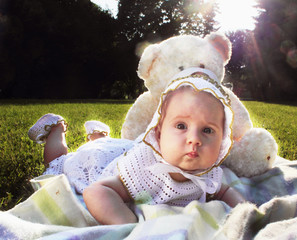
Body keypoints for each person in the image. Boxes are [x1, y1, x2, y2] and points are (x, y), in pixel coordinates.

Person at [28, 68, 245, 225]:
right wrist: (127, 225)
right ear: (159, 134)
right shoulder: (143, 171)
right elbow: (97, 191)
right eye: (181, 125)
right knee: (60, 163)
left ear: (222, 140)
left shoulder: (207, 172)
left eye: (208, 130)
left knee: (107, 147)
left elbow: (224, 190)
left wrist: (246, 211)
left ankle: (98, 135)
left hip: (120, 150)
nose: (194, 139)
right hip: (97, 162)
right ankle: (57, 128)